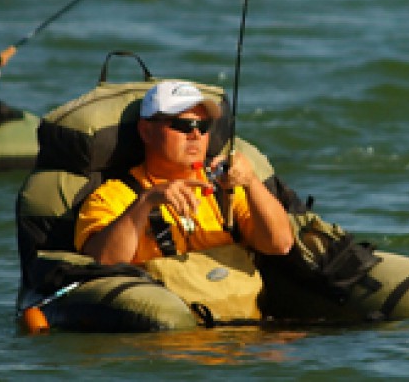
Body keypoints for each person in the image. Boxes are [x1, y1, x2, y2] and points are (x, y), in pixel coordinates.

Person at [75, 81, 294, 265]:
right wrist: (146, 202)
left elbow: (280, 244)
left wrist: (251, 182)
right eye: (184, 125)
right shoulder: (114, 196)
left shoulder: (225, 188)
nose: (196, 134)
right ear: (147, 131)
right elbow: (101, 261)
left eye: (204, 126)